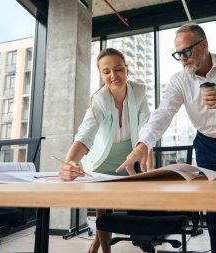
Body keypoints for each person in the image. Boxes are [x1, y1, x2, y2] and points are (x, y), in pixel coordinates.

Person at [116, 23, 216, 253]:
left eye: (186, 51)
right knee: (215, 212)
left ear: (204, 45)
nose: (183, 59)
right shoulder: (180, 81)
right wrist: (142, 145)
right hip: (207, 146)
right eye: (178, 54)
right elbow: (163, 114)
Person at [58, 48, 152, 253]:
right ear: (101, 74)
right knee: (103, 204)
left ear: (127, 69)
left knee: (136, 197)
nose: (113, 76)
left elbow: (147, 128)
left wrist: (147, 165)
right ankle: (105, 251)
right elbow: (85, 135)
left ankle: (98, 242)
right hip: (104, 158)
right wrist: (70, 162)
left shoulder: (139, 91)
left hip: (131, 155)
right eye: (106, 71)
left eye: (118, 69)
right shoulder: (99, 99)